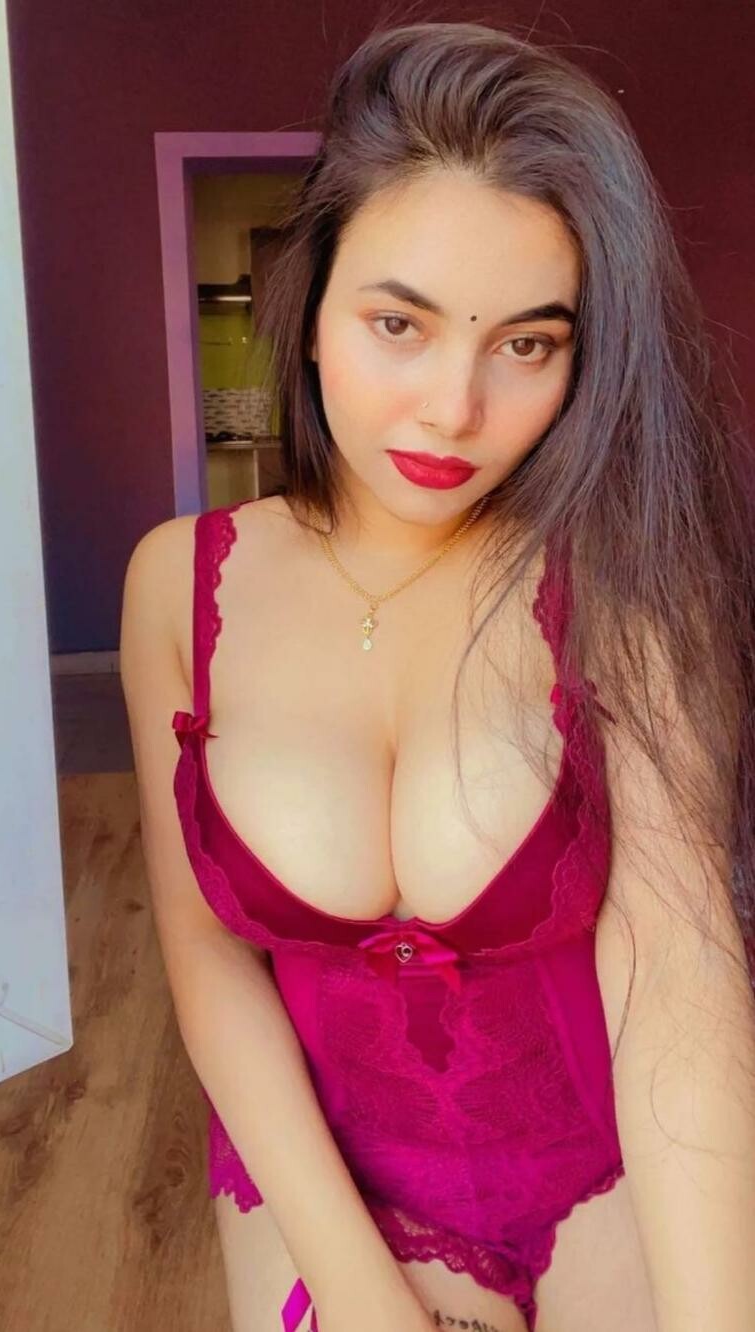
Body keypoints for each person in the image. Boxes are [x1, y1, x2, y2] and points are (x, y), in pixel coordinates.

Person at [120, 20, 755, 1332]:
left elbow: (681, 989)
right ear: (308, 306)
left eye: (527, 343)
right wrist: (359, 1292)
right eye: (398, 323)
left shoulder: (628, 583)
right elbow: (206, 955)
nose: (453, 410)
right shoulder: (175, 585)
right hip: (319, 1179)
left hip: (600, 1170)